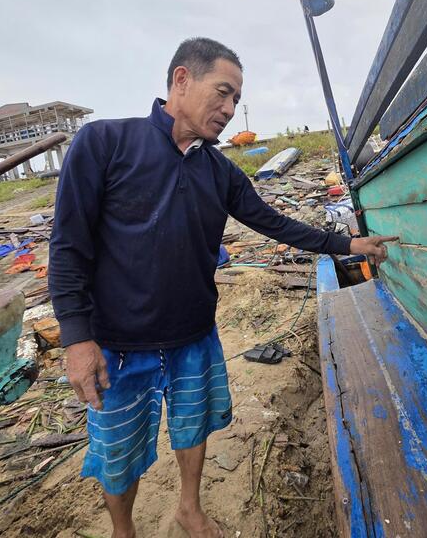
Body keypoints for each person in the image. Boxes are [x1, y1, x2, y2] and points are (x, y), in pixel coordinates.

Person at [48, 37, 396, 538]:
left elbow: (276, 224)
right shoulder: (105, 143)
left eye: (236, 99)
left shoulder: (220, 170)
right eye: (223, 93)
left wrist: (349, 245)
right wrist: (77, 339)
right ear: (182, 79)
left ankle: (189, 507)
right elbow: (68, 246)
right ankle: (123, 531)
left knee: (193, 427)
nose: (231, 110)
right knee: (118, 455)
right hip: (118, 345)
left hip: (193, 335)